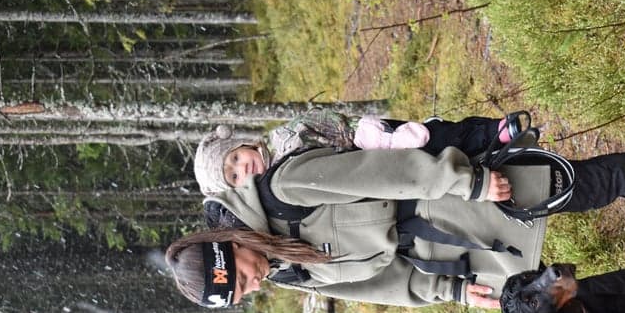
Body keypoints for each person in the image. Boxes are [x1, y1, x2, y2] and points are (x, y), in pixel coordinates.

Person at [166, 113, 625, 309]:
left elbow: (383, 172)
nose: (256, 282)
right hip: (454, 249)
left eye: (243, 276)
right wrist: (444, 292)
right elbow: (377, 286)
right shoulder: (289, 271)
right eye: (244, 294)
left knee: (584, 186)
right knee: (546, 297)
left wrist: (470, 181)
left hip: (452, 192)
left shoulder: (282, 189)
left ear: (231, 247)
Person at [192, 106, 528, 195]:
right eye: (234, 175)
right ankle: (484, 166)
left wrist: (382, 139)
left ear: (243, 144)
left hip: (369, 143)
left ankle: (490, 133)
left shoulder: (287, 137)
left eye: (236, 158)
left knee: (433, 139)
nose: (243, 168)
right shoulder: (277, 192)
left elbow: (332, 124)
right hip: (368, 177)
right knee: (429, 176)